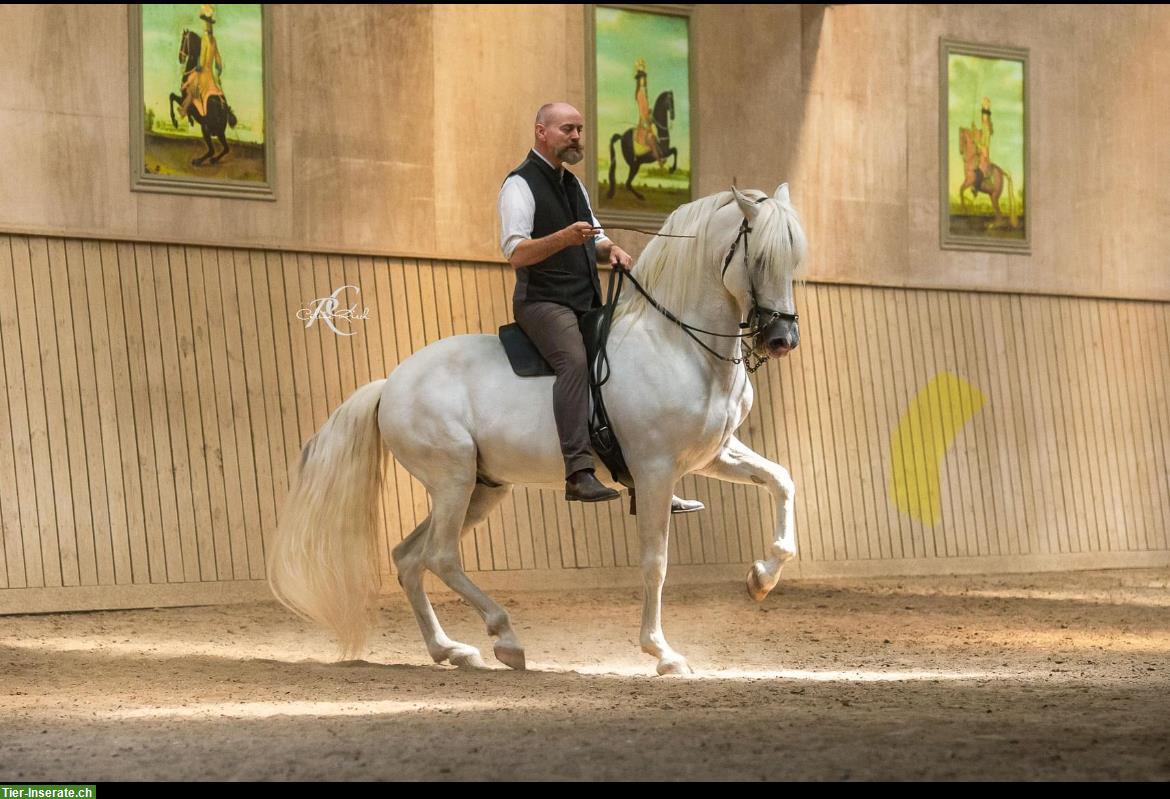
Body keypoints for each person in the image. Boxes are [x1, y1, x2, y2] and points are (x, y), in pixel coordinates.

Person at [498, 102, 703, 513]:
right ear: (541, 132)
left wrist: (611, 248)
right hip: (543, 302)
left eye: (579, 130)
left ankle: (640, 478)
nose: (576, 137)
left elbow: (594, 237)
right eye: (567, 129)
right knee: (574, 362)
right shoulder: (519, 185)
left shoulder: (575, 186)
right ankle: (578, 472)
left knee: (627, 360)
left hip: (583, 300)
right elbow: (516, 252)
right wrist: (564, 238)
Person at [633, 58, 665, 167]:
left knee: (655, 136)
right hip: (643, 123)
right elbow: (642, 111)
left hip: (647, 121)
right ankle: (660, 161)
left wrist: (650, 112)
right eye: (641, 78)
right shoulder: (640, 93)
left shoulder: (644, 92)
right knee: (651, 137)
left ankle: (661, 156)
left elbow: (646, 109)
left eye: (643, 77)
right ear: (638, 80)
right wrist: (646, 121)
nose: (642, 79)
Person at [972, 96, 993, 193]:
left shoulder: (987, 130)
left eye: (984, 117)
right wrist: (974, 128)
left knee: (980, 171)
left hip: (984, 153)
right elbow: (979, 135)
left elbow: (983, 145)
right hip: (982, 151)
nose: (983, 118)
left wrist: (976, 141)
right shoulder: (984, 128)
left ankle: (976, 188)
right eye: (982, 117)